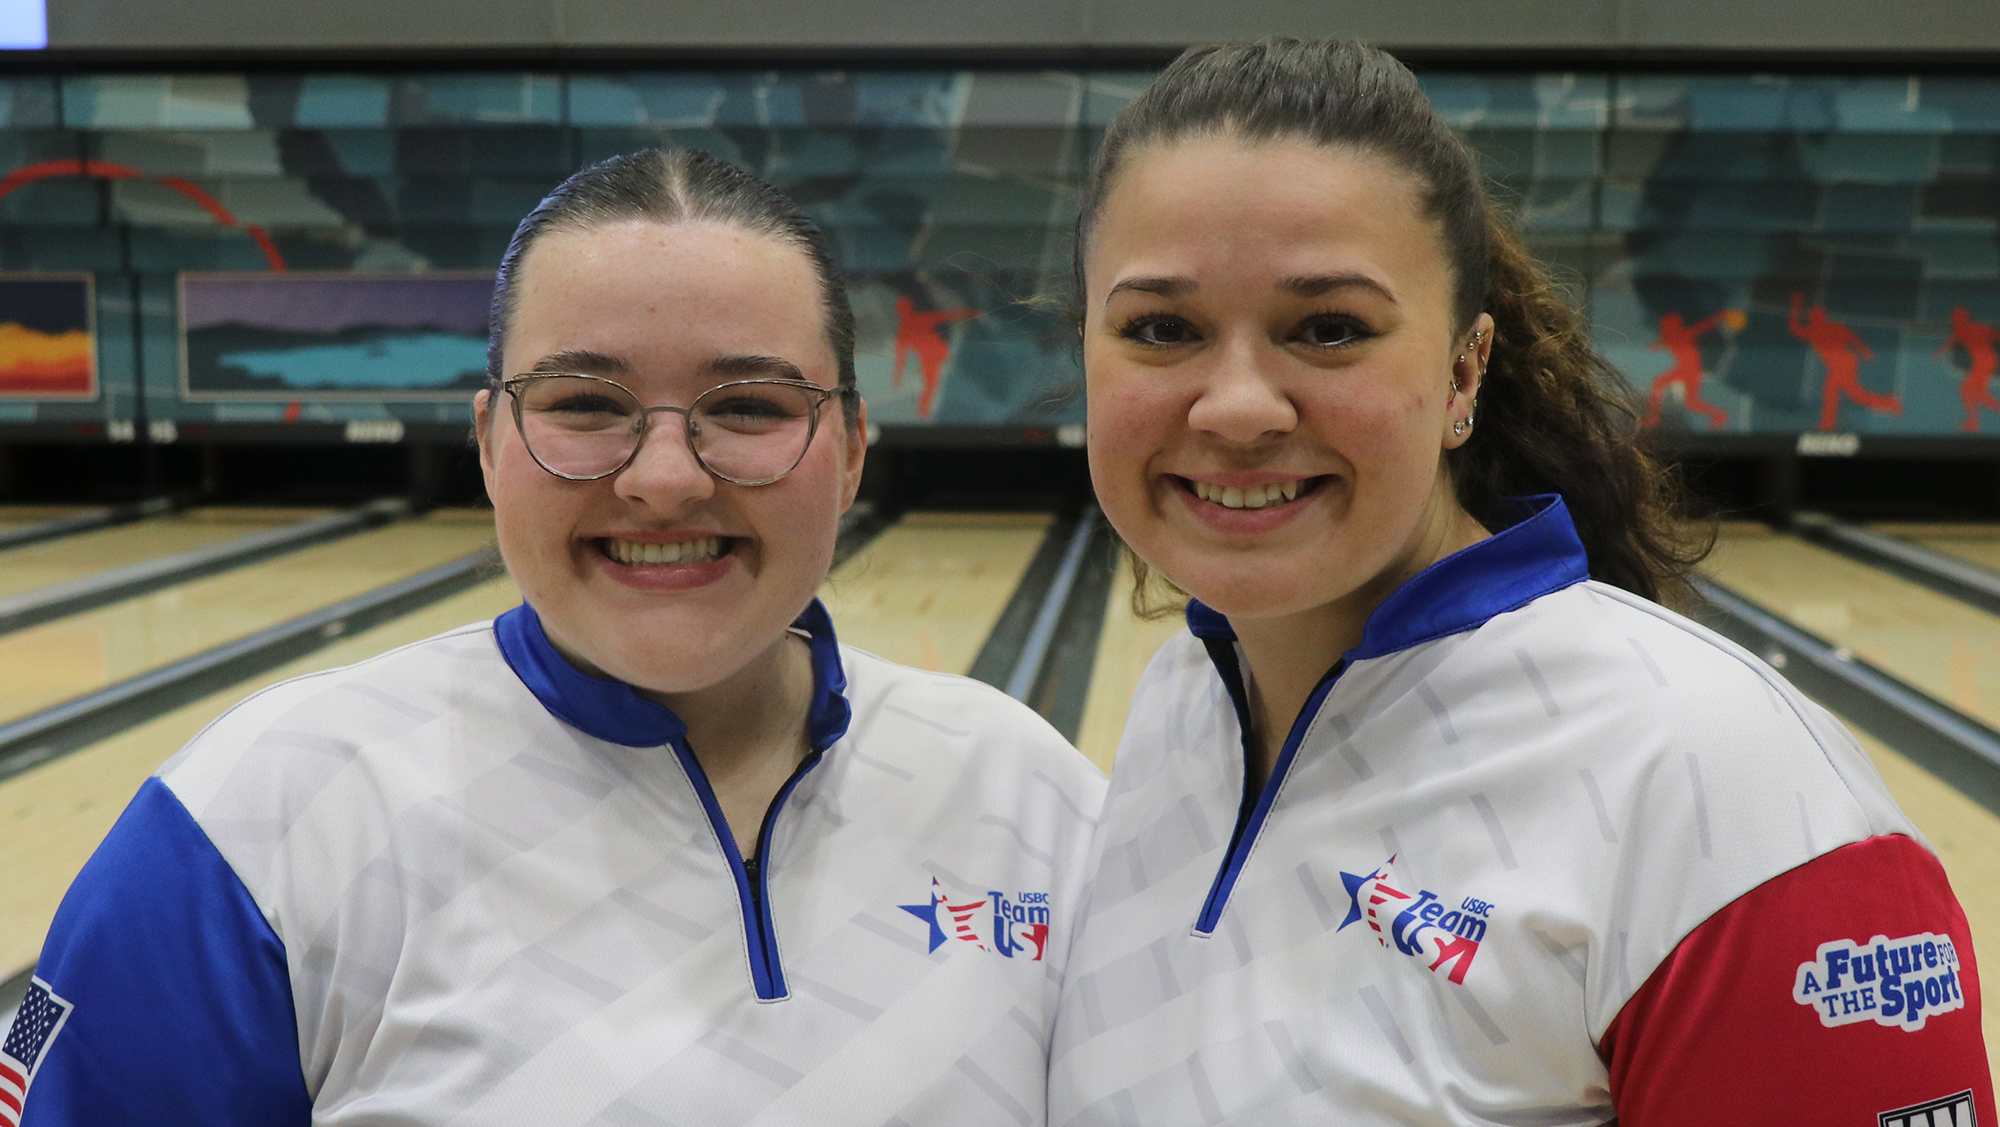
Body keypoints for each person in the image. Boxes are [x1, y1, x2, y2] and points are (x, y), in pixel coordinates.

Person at [12, 150, 1104, 1125]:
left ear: (852, 447)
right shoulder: (251, 820)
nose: (666, 478)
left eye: (751, 407)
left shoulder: (1027, 794)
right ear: (489, 440)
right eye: (585, 403)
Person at [1046, 39, 1993, 1126]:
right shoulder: (1185, 702)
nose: (1237, 406)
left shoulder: (1728, 790)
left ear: (1461, 371)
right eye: (1159, 329)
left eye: (1329, 329)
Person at [1791, 291, 1902, 431]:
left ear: (1820, 317)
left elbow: (1852, 337)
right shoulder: (1818, 330)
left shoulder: (1827, 328)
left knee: (1833, 390)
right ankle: (1890, 403)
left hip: (1844, 364)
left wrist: (1796, 305)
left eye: (1816, 316)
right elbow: (1794, 328)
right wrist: (1865, 351)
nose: (1814, 318)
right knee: (1852, 394)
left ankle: (1828, 423)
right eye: (1813, 316)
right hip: (1844, 364)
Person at [1639, 309, 1737, 429]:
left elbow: (1703, 326)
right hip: (1684, 370)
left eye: (1665, 326)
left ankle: (1719, 415)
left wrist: (1720, 316)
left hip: (1691, 371)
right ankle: (1652, 418)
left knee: (1690, 402)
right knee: (1662, 386)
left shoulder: (1683, 334)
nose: (1663, 329)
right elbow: (1661, 343)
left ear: (1672, 326)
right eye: (1663, 327)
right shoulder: (1671, 338)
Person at [1936, 305, 2000, 432]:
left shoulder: (1974, 329)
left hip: (1986, 364)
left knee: (1971, 392)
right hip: (1985, 366)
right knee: (1972, 393)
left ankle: (1973, 422)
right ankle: (1973, 422)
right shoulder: (1963, 333)